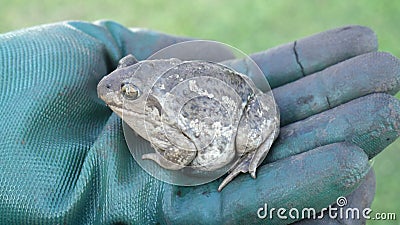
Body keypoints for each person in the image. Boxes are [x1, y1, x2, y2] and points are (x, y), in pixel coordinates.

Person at [0, 20, 399, 224]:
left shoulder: (160, 122)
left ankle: (254, 152)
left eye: (130, 92)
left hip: (238, 114)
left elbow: (186, 151)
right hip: (225, 88)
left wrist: (162, 158)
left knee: (250, 137)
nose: (117, 90)